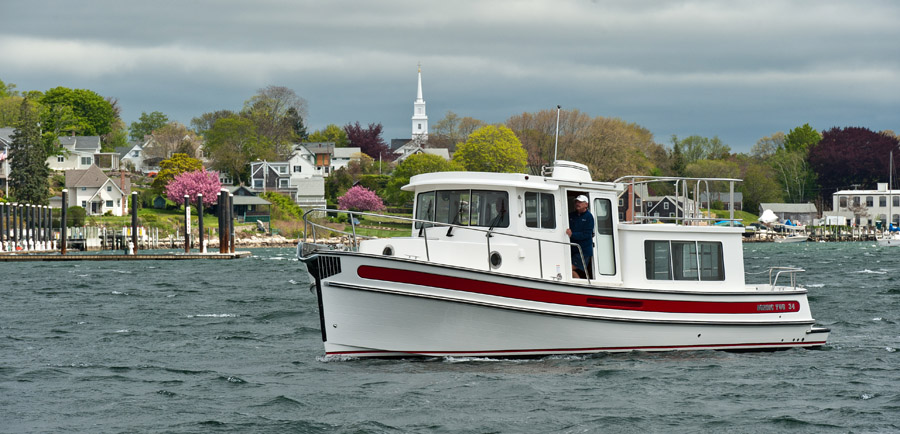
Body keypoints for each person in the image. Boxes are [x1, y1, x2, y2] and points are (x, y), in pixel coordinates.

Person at [566, 195, 594, 278]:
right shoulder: (571, 215)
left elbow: (587, 234)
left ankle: (580, 285)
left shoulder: (589, 217)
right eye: (576, 202)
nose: (577, 204)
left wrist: (572, 234)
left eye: (580, 202)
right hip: (572, 249)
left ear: (586, 204)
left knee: (567, 268)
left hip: (583, 251)